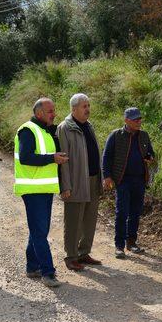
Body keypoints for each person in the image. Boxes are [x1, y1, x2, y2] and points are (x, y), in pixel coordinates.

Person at [14, 97, 68, 288]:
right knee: (40, 232)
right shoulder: (28, 130)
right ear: (39, 113)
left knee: (39, 231)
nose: (54, 114)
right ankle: (48, 272)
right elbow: (26, 157)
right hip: (32, 189)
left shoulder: (45, 130)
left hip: (43, 189)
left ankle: (32, 267)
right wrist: (52, 158)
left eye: (54, 110)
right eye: (50, 111)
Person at [57, 93, 103, 271]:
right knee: (73, 220)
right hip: (76, 181)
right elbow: (63, 161)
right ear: (73, 109)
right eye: (84, 106)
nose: (88, 109)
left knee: (89, 219)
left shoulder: (89, 126)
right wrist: (65, 185)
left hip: (92, 179)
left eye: (88, 105)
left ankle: (84, 253)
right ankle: (71, 256)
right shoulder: (65, 128)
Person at [102, 107, 155, 258]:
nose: (139, 122)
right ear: (126, 121)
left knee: (135, 212)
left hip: (139, 179)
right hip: (122, 180)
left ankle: (131, 243)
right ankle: (119, 246)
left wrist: (150, 157)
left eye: (140, 119)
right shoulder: (116, 135)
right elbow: (106, 157)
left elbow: (151, 152)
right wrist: (107, 177)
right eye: (135, 119)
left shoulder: (144, 135)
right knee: (122, 212)